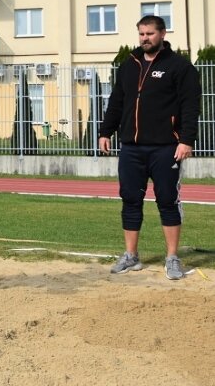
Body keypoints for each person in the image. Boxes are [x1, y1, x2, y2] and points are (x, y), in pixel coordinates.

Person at [98, 15, 201, 280]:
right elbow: (117, 101)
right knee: (130, 200)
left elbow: (190, 106)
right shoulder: (128, 65)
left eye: (150, 34)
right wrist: (105, 131)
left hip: (166, 148)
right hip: (131, 148)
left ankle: (172, 258)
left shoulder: (179, 66)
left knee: (167, 201)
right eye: (141, 34)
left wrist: (186, 140)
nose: (145, 38)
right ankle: (131, 256)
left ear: (162, 34)